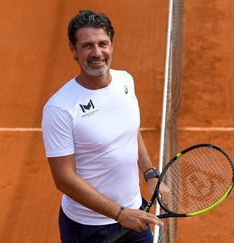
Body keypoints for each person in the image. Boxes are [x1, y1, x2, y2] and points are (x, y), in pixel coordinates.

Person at [41, 9, 164, 243]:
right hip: (89, 227)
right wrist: (119, 213)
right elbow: (64, 178)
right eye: (87, 45)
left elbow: (130, 131)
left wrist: (150, 173)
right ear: (73, 50)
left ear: (112, 45)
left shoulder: (125, 81)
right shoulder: (60, 108)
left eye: (102, 44)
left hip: (135, 214)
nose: (97, 53)